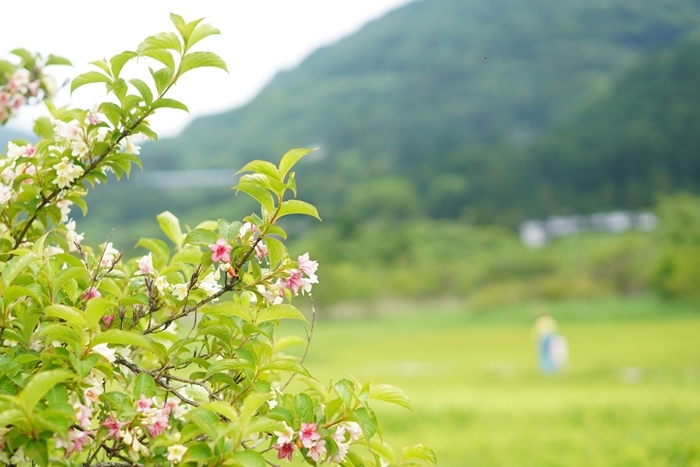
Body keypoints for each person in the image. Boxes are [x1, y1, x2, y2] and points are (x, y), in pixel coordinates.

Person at [532, 310, 569, 375]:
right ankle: (553, 368)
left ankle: (547, 370)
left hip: (543, 339)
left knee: (545, 355)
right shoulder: (551, 319)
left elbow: (538, 332)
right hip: (551, 338)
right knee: (551, 354)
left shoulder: (539, 320)